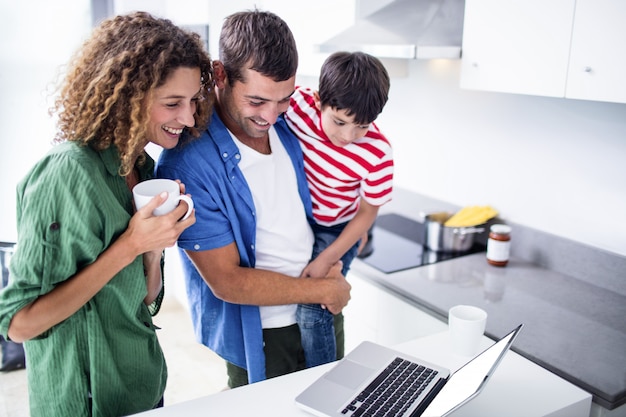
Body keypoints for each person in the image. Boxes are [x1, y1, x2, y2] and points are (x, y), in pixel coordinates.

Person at [0, 12, 213, 417]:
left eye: (191, 102)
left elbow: (146, 300)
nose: (187, 118)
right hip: (86, 403)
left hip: (144, 385)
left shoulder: (143, 169)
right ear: (129, 97)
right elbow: (20, 324)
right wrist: (130, 244)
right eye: (172, 104)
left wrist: (155, 246)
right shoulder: (66, 173)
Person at [156, 9, 351, 388]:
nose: (271, 115)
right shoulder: (187, 163)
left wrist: (331, 263)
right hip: (263, 332)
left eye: (284, 100)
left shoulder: (292, 124)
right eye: (257, 101)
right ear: (221, 75)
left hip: (321, 308)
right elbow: (226, 281)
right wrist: (322, 288)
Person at [284, 51, 393, 367]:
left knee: (316, 304)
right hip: (300, 218)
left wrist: (327, 258)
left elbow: (367, 213)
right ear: (319, 100)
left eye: (361, 126)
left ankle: (323, 377)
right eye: (339, 121)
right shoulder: (297, 107)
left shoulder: (378, 153)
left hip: (339, 230)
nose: (348, 137)